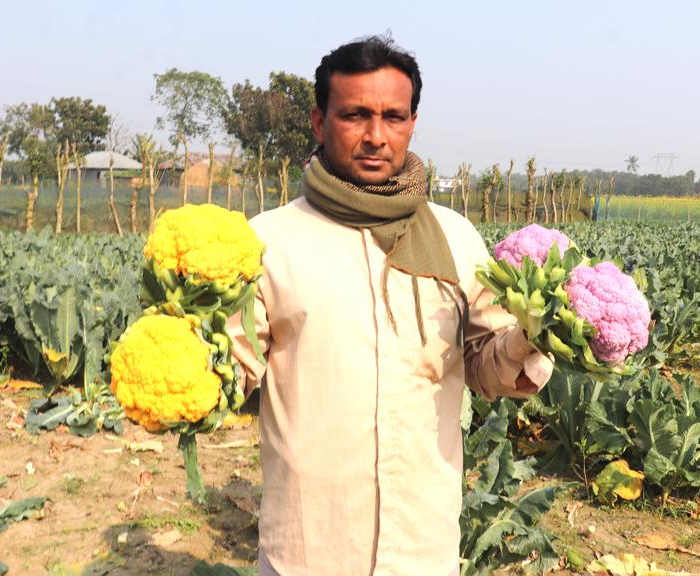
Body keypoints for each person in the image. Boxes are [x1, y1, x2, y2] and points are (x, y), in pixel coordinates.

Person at [227, 35, 553, 576]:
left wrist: (535, 334)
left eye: (393, 117)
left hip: (422, 543)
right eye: (355, 115)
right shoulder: (267, 242)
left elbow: (486, 365)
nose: (376, 136)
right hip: (309, 548)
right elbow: (231, 368)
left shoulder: (454, 237)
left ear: (412, 123)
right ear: (318, 121)